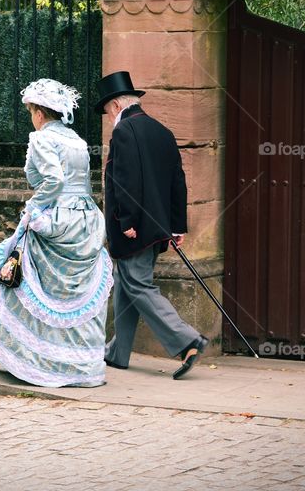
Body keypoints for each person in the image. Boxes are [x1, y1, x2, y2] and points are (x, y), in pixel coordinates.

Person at [0, 79, 113, 387]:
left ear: (38, 112)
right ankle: (77, 363)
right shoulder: (75, 139)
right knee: (63, 295)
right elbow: (81, 183)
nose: (31, 116)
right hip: (84, 220)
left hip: (55, 217)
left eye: (31, 111)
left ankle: (12, 350)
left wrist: (34, 208)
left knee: (18, 278)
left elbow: (53, 181)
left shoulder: (41, 139)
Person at [94, 71, 208, 380]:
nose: (108, 117)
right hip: (156, 227)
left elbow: (125, 181)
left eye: (107, 111)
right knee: (127, 284)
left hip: (134, 228)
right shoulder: (162, 131)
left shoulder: (124, 132)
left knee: (138, 285)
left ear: (116, 105)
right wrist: (176, 226)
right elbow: (177, 183)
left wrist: (127, 221)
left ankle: (187, 341)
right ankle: (118, 352)